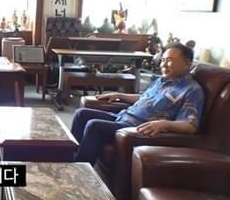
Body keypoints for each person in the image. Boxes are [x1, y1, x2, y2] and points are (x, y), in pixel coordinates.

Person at [71, 43, 205, 165]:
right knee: (81, 114)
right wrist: (120, 95)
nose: (163, 65)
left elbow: (190, 125)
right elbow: (145, 99)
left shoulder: (191, 90)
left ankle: (80, 171)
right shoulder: (162, 80)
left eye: (169, 60)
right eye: (163, 60)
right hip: (123, 117)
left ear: (187, 64)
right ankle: (69, 157)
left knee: (94, 125)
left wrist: (164, 124)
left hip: (137, 128)